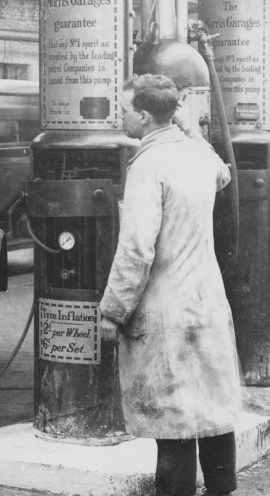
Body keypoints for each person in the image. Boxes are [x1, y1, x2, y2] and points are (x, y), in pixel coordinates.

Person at [99, 74, 242, 496]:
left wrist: (113, 310)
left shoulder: (147, 166)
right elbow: (222, 174)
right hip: (207, 301)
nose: (121, 117)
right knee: (212, 412)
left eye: (125, 110)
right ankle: (222, 491)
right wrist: (192, 129)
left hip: (167, 309)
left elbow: (136, 250)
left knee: (174, 424)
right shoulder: (197, 155)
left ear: (143, 117)